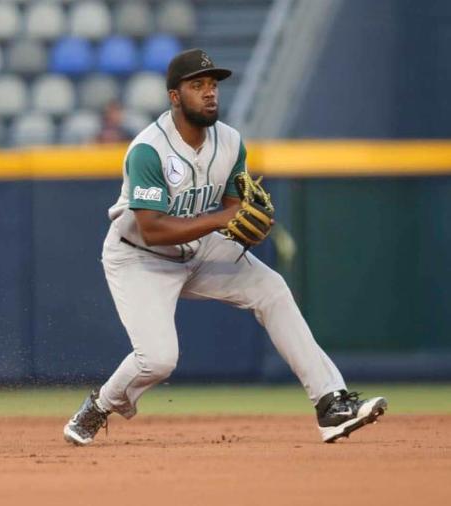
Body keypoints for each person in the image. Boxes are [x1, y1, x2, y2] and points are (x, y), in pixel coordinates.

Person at [63, 49, 387, 446]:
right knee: (158, 360)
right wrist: (220, 220)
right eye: (197, 85)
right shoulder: (149, 149)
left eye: (213, 85)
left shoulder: (231, 142)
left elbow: (236, 205)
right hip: (139, 257)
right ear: (174, 97)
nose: (209, 93)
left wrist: (243, 222)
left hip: (198, 248)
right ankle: (100, 406)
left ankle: (330, 404)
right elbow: (152, 229)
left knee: (271, 289)